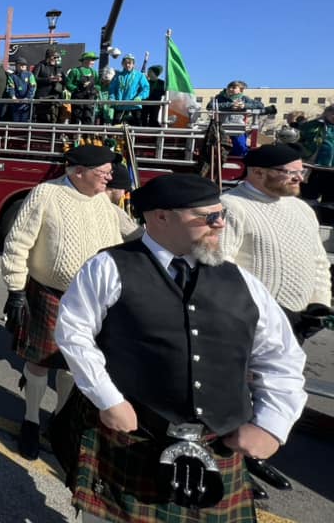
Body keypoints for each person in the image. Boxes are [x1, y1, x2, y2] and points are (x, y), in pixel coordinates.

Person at [53, 173, 307, 523]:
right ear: (161, 217)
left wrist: (272, 423)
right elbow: (74, 333)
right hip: (132, 435)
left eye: (221, 214)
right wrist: (108, 399)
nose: (220, 224)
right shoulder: (109, 267)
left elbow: (281, 357)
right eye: (207, 217)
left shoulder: (242, 281)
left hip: (216, 443)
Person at [1, 145, 139, 460]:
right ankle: (31, 420)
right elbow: (17, 243)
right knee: (40, 361)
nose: (109, 177)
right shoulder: (46, 194)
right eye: (104, 172)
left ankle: (58, 421)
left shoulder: (103, 202)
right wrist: (16, 290)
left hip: (93, 300)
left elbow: (134, 235)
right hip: (49, 293)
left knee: (75, 365)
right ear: (78, 172)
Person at [220, 143, 332, 496]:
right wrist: (248, 312)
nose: (300, 178)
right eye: (291, 172)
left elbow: (318, 260)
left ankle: (254, 456)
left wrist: (320, 303)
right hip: (249, 321)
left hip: (297, 317)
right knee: (238, 393)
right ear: (257, 173)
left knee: (273, 392)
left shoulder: (302, 209)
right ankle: (231, 466)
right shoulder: (231, 207)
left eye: (302, 171)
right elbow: (220, 268)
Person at [207, 80, 265, 156]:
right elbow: (209, 106)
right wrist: (230, 105)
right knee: (219, 149)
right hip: (221, 128)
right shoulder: (219, 97)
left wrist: (244, 106)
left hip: (238, 128)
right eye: (229, 87)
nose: (230, 89)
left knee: (240, 148)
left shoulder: (244, 99)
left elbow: (260, 105)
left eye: (234, 87)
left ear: (241, 90)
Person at [299, 103, 334, 204]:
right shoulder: (312, 125)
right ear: (326, 113)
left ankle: (327, 213)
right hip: (313, 167)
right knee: (309, 198)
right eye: (332, 112)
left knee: (330, 201)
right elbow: (299, 140)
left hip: (332, 170)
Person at [108, 54, 149, 125]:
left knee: (138, 125)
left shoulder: (140, 75)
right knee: (115, 125)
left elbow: (146, 88)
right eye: (125, 63)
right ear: (122, 64)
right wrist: (112, 98)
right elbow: (112, 89)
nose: (127, 65)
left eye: (129, 63)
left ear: (133, 64)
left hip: (134, 105)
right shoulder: (117, 76)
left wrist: (140, 97)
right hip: (120, 105)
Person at [65, 52, 100, 125]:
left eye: (93, 60)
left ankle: (87, 132)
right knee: (76, 118)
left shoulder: (94, 72)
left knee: (88, 118)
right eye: (91, 60)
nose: (92, 62)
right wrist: (78, 88)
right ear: (84, 60)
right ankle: (74, 132)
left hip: (89, 99)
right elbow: (68, 84)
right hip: (77, 98)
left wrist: (94, 89)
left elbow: (98, 85)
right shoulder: (75, 71)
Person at [32, 48, 64, 123]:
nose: (56, 59)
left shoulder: (59, 67)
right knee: (43, 118)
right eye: (54, 57)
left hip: (55, 96)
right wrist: (49, 80)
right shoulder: (40, 65)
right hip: (43, 96)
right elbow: (34, 79)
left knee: (54, 118)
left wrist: (60, 79)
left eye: (57, 57)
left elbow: (65, 81)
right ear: (49, 57)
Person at [6, 56, 36, 123]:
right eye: (21, 64)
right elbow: (10, 87)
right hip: (16, 104)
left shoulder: (30, 75)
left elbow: (33, 87)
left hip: (26, 104)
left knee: (24, 121)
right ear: (17, 65)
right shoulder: (12, 76)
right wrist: (13, 96)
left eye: (24, 65)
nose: (23, 66)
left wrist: (27, 97)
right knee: (16, 121)